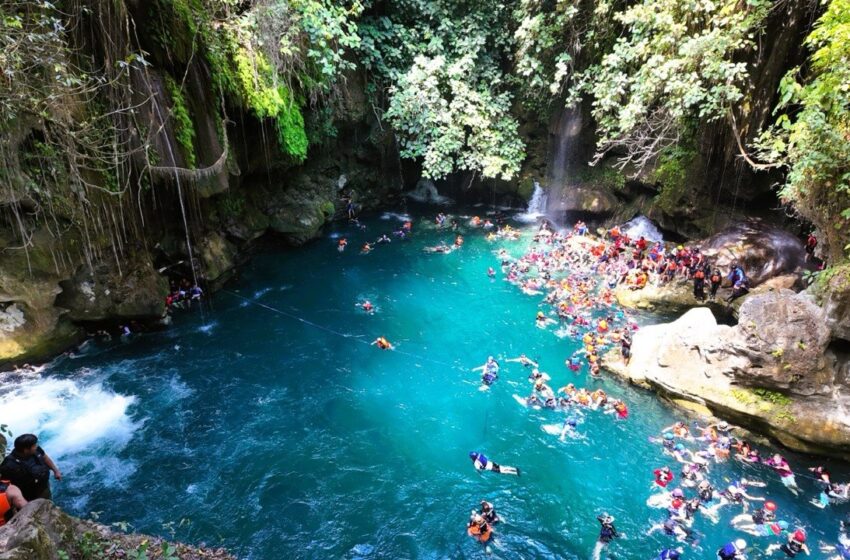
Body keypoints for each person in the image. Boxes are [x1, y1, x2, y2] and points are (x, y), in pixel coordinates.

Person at [0, 434, 61, 501]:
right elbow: (5, 485)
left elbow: (45, 458)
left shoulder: (36, 449)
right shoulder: (8, 465)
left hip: (44, 488)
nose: (36, 446)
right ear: (26, 450)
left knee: (48, 502)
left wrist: (56, 471)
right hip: (28, 497)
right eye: (34, 446)